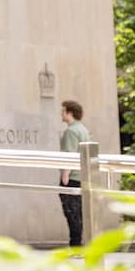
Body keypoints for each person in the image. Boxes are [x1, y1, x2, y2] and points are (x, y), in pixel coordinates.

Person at [59, 99, 90, 246]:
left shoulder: (71, 132)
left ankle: (76, 246)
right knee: (80, 214)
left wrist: (65, 175)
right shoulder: (83, 129)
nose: (61, 113)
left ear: (69, 112)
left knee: (72, 214)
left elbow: (69, 155)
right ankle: (80, 244)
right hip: (82, 176)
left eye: (63, 111)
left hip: (72, 177)